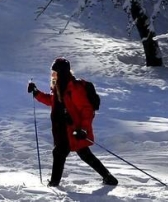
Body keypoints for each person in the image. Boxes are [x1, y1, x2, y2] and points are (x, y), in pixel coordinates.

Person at [27, 57, 118, 187]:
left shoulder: (74, 88)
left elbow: (87, 110)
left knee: (60, 153)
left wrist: (84, 129)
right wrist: (36, 93)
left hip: (73, 130)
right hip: (63, 129)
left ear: (62, 72)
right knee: (83, 153)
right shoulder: (59, 86)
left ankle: (54, 183)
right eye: (52, 72)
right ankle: (109, 178)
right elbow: (52, 101)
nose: (53, 74)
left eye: (55, 72)